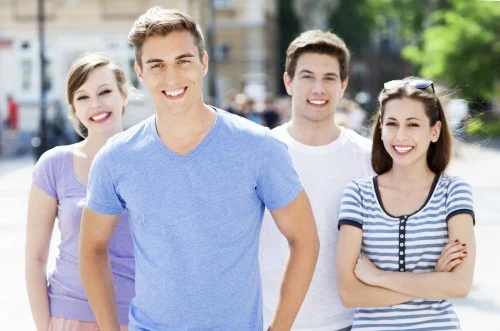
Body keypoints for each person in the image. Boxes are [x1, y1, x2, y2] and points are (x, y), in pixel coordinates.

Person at [79, 7, 319, 331]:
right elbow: (92, 249)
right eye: (157, 65)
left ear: (203, 62)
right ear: (140, 72)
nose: (172, 77)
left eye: (183, 60)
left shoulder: (258, 148)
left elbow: (304, 240)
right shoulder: (116, 159)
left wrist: (280, 327)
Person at [337, 77, 475, 330]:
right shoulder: (357, 194)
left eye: (413, 124)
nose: (400, 136)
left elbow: (460, 285)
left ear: (434, 131)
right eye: (391, 123)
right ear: (380, 128)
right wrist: (434, 281)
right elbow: (349, 294)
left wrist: (378, 277)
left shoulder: (454, 192)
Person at [259, 30, 373, 331]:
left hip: (346, 320)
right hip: (267, 318)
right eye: (307, 76)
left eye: (329, 78)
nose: (318, 88)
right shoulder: (259, 151)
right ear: (289, 82)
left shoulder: (368, 156)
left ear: (343, 85)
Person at [25, 53, 135, 331]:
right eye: (82, 97)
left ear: (124, 94)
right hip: (69, 315)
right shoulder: (54, 164)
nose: (95, 104)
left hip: (138, 318)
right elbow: (35, 257)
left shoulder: (151, 160)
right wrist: (45, 325)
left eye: (105, 91)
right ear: (73, 108)